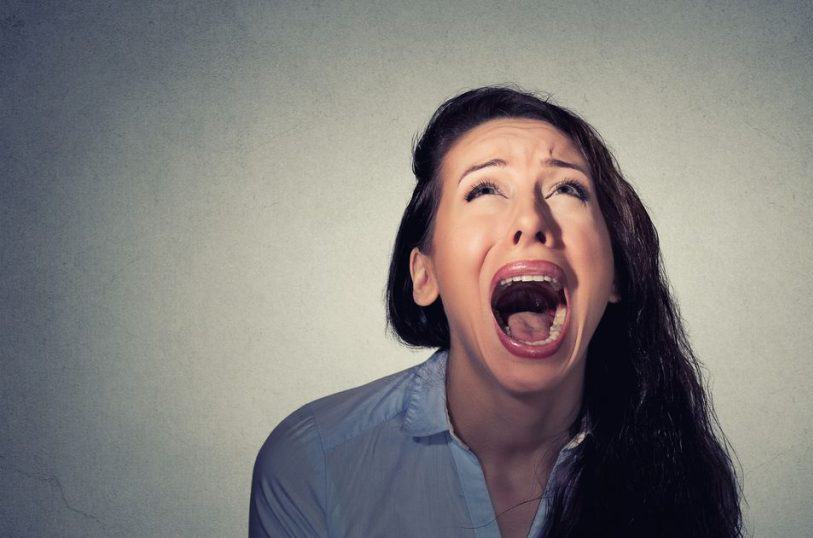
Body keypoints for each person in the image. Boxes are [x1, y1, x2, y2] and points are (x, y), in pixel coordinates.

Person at [249, 86, 742, 537]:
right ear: (426, 274)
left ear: (615, 275)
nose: (530, 219)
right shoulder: (313, 462)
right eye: (484, 189)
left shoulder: (682, 475)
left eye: (566, 189)